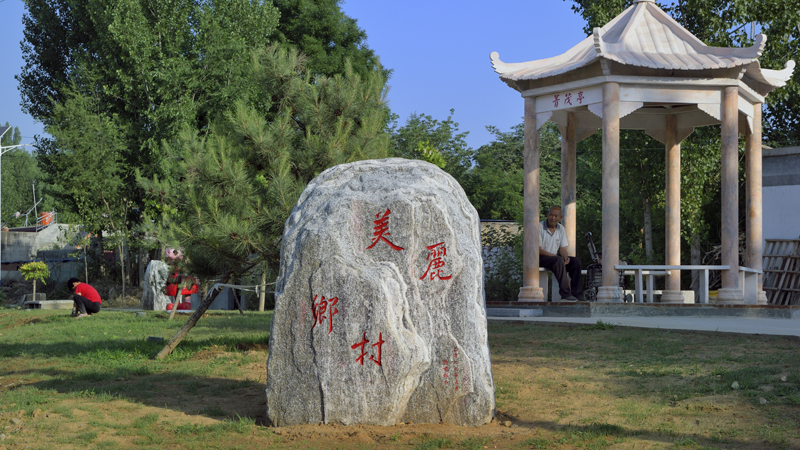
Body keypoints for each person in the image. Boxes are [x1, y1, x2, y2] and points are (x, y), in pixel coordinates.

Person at [539, 206, 583, 301]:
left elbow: (562, 248)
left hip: (554, 259)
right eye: (551, 215)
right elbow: (537, 249)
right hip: (540, 258)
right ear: (547, 215)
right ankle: (565, 294)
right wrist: (556, 257)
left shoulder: (561, 228)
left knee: (575, 261)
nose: (553, 218)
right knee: (558, 260)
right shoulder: (539, 227)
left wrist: (566, 257)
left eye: (556, 216)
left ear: (560, 218)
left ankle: (577, 293)